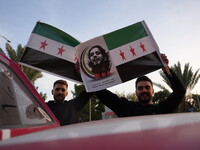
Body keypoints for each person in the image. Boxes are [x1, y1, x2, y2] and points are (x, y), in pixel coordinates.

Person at [94, 54, 186, 117]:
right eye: (140, 88)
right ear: (136, 92)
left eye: (147, 87)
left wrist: (166, 69)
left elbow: (180, 91)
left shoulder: (162, 109)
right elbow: (101, 93)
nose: (144, 90)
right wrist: (87, 76)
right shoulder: (126, 108)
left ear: (153, 91)